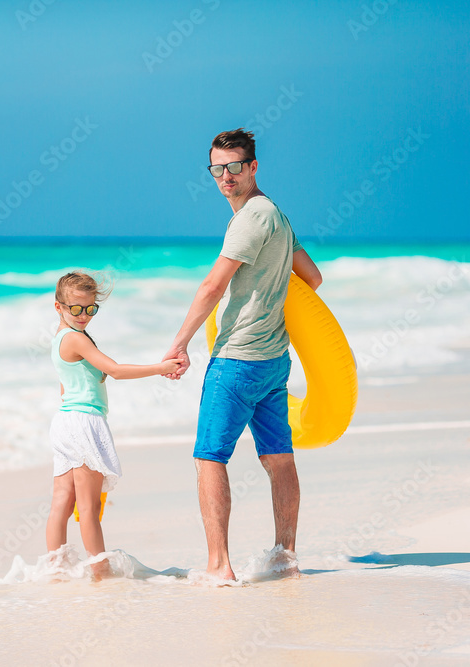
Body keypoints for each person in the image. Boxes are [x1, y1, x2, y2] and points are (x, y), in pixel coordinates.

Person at [162, 128, 323, 581]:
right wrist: (269, 301)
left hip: (236, 360)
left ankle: (219, 566)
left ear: (253, 167)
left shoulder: (251, 217)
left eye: (235, 166)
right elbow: (311, 277)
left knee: (209, 457)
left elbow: (213, 285)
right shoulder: (277, 216)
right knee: (278, 458)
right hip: (274, 361)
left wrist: (179, 343)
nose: (225, 176)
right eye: (217, 168)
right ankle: (284, 558)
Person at [46, 271, 181, 580]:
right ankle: (100, 573)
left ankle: (54, 571)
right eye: (76, 308)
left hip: (65, 421)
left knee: (62, 503)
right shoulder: (75, 339)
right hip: (83, 423)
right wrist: (161, 368)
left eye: (91, 309)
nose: (83, 316)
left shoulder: (60, 337)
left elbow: (65, 387)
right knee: (88, 508)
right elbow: (116, 371)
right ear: (59, 307)